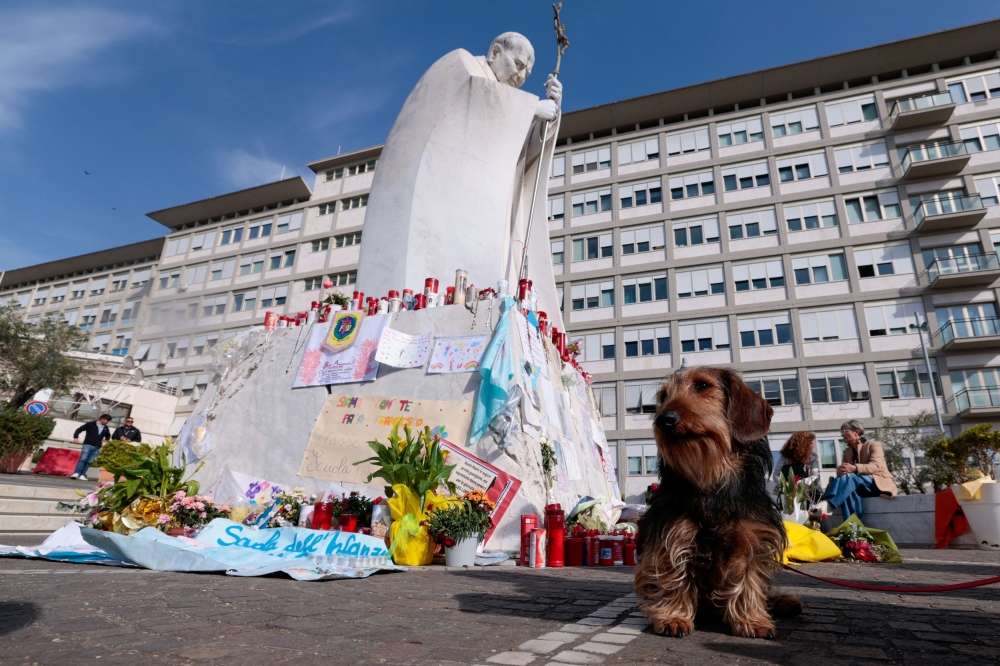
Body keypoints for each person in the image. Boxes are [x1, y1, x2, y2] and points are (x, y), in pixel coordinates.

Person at [822, 420, 897, 518]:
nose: (842, 434)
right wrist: (840, 471)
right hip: (856, 484)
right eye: (842, 432)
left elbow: (875, 466)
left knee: (851, 477)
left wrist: (854, 468)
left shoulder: (874, 445)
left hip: (877, 483)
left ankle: (828, 503)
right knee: (849, 492)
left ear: (856, 432)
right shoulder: (847, 452)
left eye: (845, 431)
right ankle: (853, 528)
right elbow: (846, 474)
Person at [771, 431, 821, 501]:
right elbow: (776, 475)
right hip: (787, 494)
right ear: (803, 445)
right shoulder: (785, 457)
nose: (813, 446)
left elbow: (816, 477)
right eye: (811, 443)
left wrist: (798, 484)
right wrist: (787, 486)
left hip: (807, 493)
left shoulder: (812, 457)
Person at [70, 413, 112, 480]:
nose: (108, 422)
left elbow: (108, 435)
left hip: (97, 447)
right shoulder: (90, 424)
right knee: (83, 459)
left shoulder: (105, 428)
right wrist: (76, 437)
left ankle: (82, 474)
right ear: (103, 419)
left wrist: (106, 440)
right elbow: (79, 429)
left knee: (89, 461)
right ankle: (76, 473)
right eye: (107, 420)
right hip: (88, 444)